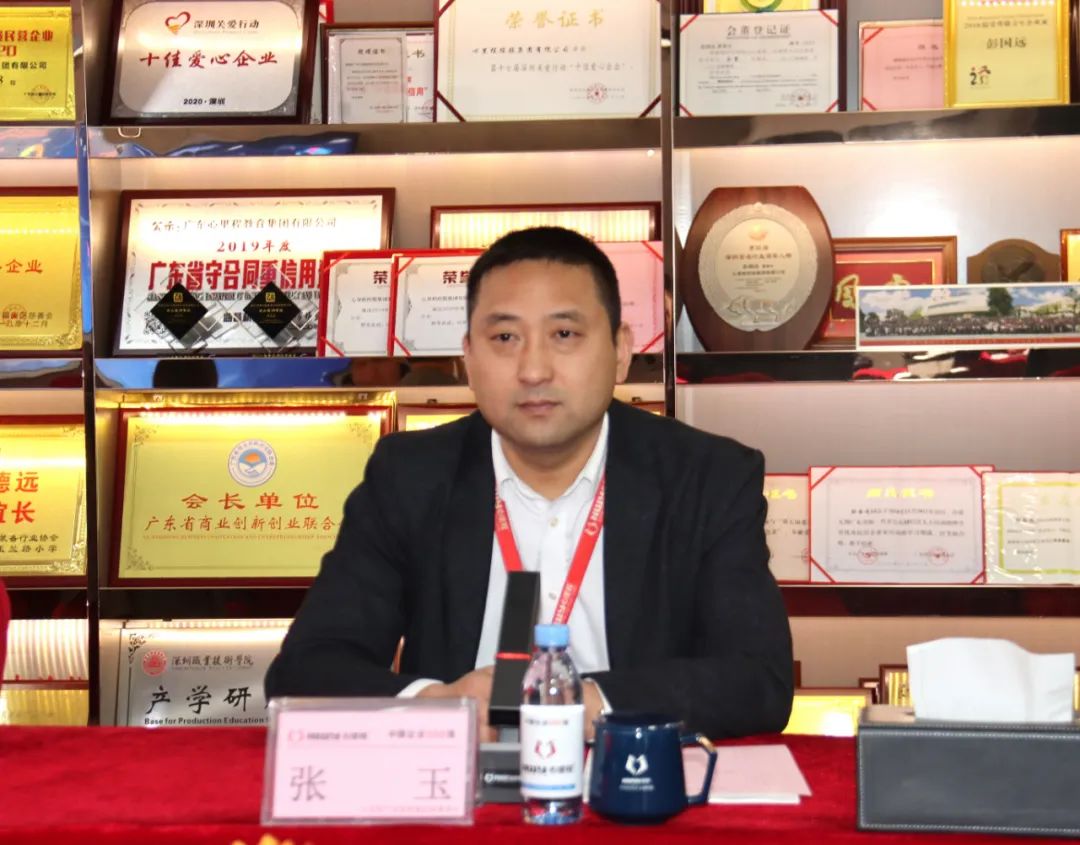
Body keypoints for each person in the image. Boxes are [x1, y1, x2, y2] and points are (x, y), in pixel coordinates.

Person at [265, 227, 793, 740]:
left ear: (620, 350)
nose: (534, 370)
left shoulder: (707, 477)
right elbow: (305, 670)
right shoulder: (409, 476)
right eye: (505, 338)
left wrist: (588, 704)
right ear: (468, 358)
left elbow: (757, 679)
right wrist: (435, 704)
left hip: (634, 779)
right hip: (461, 784)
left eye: (564, 334)